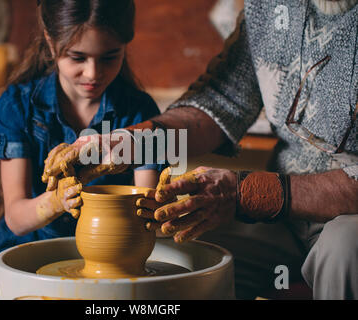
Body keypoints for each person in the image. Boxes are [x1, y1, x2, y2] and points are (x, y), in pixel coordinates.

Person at [42, 0, 358, 299]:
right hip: (285, 215)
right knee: (179, 251)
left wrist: (247, 194)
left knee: (345, 246)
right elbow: (222, 101)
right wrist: (128, 142)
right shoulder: (270, 6)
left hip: (345, 214)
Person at [0, 0, 162, 270]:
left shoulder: (139, 112)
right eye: (77, 57)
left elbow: (146, 206)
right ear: (51, 43)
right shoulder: (18, 105)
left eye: (110, 57)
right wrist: (56, 200)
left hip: (111, 253)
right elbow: (15, 217)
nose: (93, 73)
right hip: (26, 244)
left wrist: (169, 205)